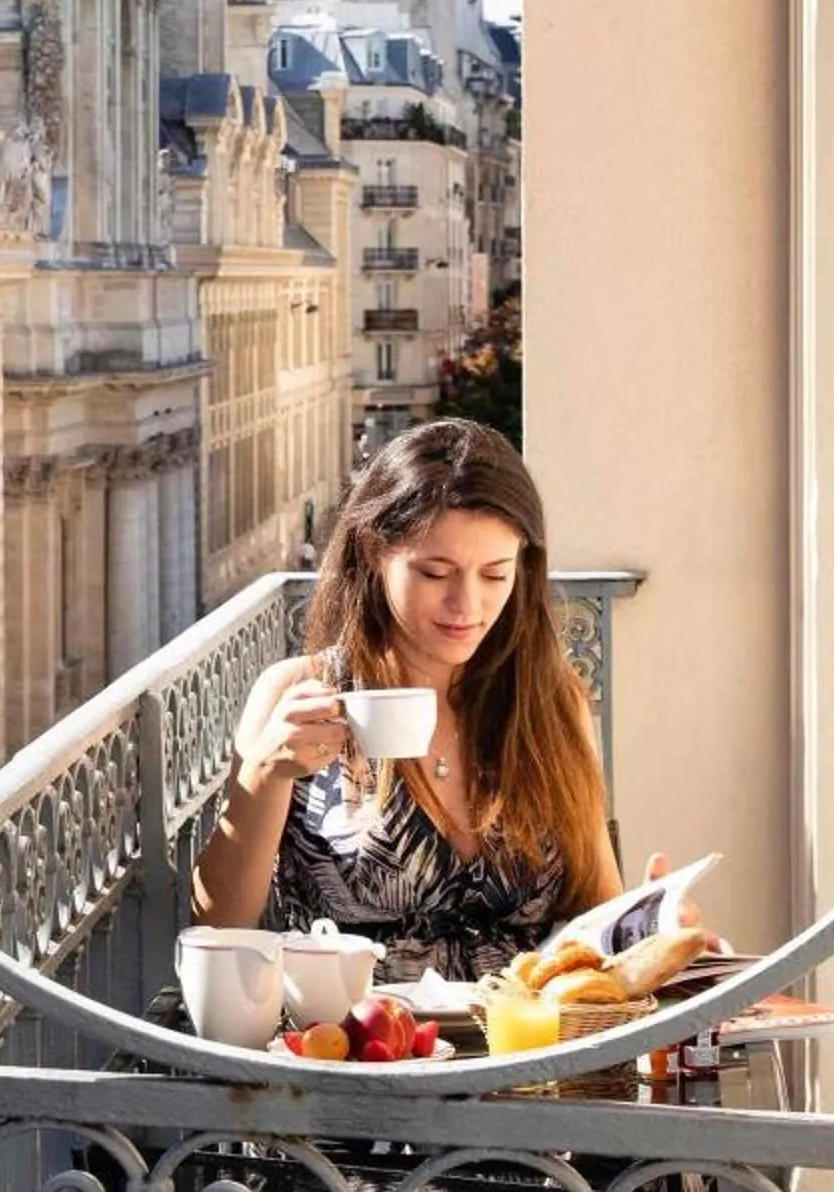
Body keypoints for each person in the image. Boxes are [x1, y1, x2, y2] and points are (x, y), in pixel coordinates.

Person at [192, 417, 690, 981]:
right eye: (435, 572)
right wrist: (264, 775)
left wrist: (647, 930)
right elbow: (218, 925)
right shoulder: (296, 695)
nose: (467, 604)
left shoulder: (550, 705)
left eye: (496, 575)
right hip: (354, 1048)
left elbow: (592, 909)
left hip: (522, 1045)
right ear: (375, 553)